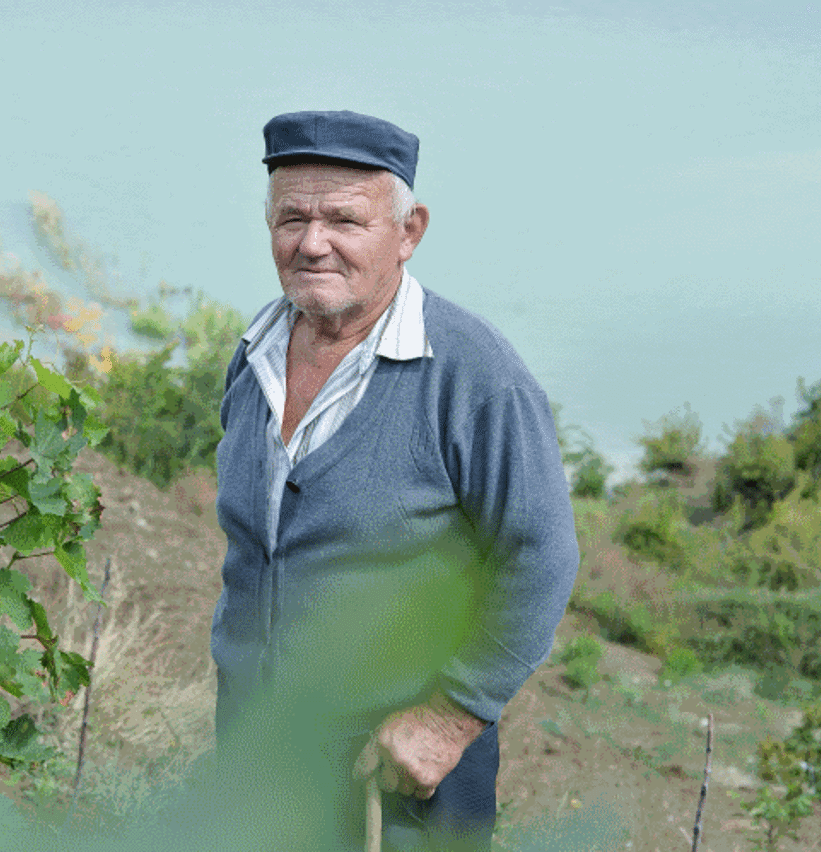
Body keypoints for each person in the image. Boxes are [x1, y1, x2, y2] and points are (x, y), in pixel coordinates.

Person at [209, 110, 580, 851]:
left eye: (344, 219)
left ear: (408, 234)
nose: (312, 243)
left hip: (401, 780)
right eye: (291, 218)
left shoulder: (476, 377)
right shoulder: (254, 355)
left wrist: (451, 719)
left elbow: (542, 556)